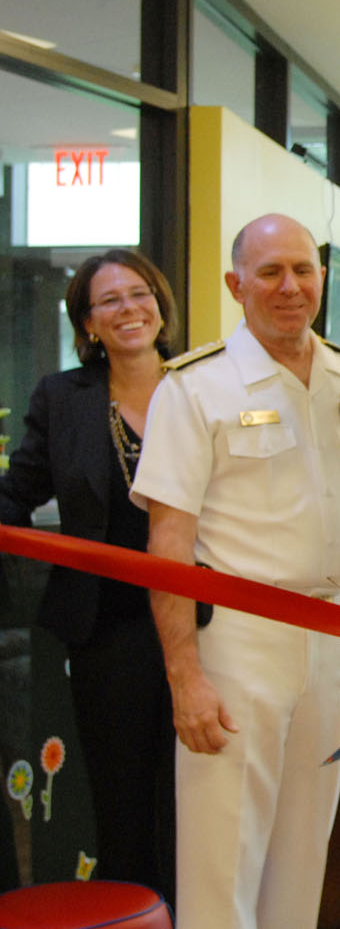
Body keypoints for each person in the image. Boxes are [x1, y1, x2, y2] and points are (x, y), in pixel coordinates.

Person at [131, 214, 340, 929]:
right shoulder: (195, 388)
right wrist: (185, 677)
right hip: (239, 644)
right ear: (236, 285)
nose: (291, 287)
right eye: (270, 273)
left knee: (304, 857)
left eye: (303, 270)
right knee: (222, 860)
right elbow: (168, 541)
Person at [0, 250, 179, 902]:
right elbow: (18, 490)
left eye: (139, 294)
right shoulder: (63, 397)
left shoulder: (202, 386)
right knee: (121, 795)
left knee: (197, 793)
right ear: (88, 325)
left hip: (206, 619)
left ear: (161, 307)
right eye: (109, 301)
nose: (128, 309)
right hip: (106, 631)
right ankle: (134, 910)